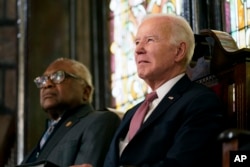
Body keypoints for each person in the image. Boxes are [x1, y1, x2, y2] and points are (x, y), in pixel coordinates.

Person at [104, 13, 226, 167]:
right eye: (136, 42)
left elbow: (182, 163)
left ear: (179, 51)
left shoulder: (199, 102)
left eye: (150, 40)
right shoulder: (132, 113)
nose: (138, 50)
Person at [19, 58, 121, 167]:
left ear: (86, 91)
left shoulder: (100, 121)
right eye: (42, 80)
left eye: (58, 76)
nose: (47, 84)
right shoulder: (44, 138)